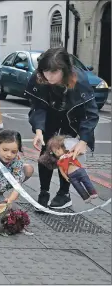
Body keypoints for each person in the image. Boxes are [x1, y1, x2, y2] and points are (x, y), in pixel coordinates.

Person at [25, 47, 99, 209]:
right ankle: (43, 192)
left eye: (54, 72)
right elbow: (38, 106)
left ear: (64, 70)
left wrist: (83, 141)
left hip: (71, 119)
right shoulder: (39, 78)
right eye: (45, 71)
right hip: (50, 115)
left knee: (65, 154)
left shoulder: (79, 81)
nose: (49, 76)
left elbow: (90, 113)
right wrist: (39, 130)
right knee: (46, 152)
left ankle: (64, 194)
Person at [38, 135, 98, 203]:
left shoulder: (70, 153)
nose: (57, 152)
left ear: (63, 147)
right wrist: (66, 177)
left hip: (80, 170)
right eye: (54, 151)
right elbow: (61, 170)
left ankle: (92, 192)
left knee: (86, 181)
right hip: (71, 176)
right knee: (78, 187)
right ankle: (85, 197)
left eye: (58, 148)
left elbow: (81, 153)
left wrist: (75, 152)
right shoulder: (59, 161)